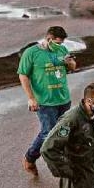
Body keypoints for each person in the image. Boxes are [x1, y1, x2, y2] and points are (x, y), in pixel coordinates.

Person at [19, 26, 77, 176]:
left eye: (62, 42)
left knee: (64, 130)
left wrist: (69, 62)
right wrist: (31, 98)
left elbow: (73, 67)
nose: (60, 45)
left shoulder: (62, 50)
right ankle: (30, 158)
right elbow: (23, 75)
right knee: (48, 132)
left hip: (63, 99)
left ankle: (64, 160)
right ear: (49, 39)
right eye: (58, 42)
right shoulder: (31, 53)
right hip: (45, 102)